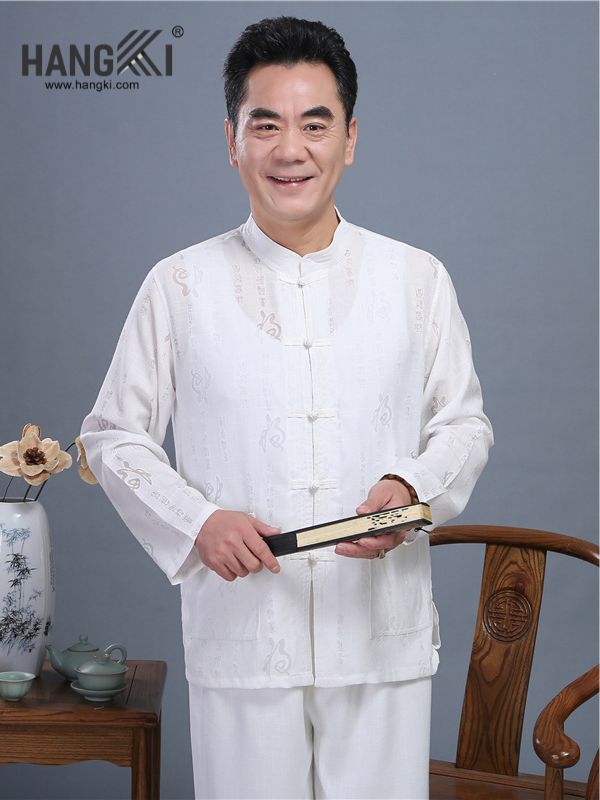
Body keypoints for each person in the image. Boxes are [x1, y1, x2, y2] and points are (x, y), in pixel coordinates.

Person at [81, 15, 493, 800]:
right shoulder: (180, 285)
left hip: (379, 635)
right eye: (265, 125)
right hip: (242, 632)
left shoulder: (416, 279)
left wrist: (410, 490)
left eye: (315, 124)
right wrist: (197, 521)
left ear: (350, 138)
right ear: (231, 140)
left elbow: (463, 424)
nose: (290, 150)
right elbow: (111, 434)